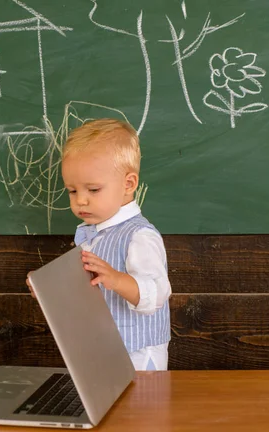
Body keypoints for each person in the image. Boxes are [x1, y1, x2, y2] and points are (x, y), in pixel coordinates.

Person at [26, 118, 171, 371]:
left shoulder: (139, 236)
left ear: (128, 184)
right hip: (100, 352)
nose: (81, 200)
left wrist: (115, 279)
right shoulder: (89, 235)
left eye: (93, 190)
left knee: (140, 409)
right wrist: (49, 292)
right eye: (72, 191)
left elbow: (157, 293)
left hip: (136, 356)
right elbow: (86, 292)